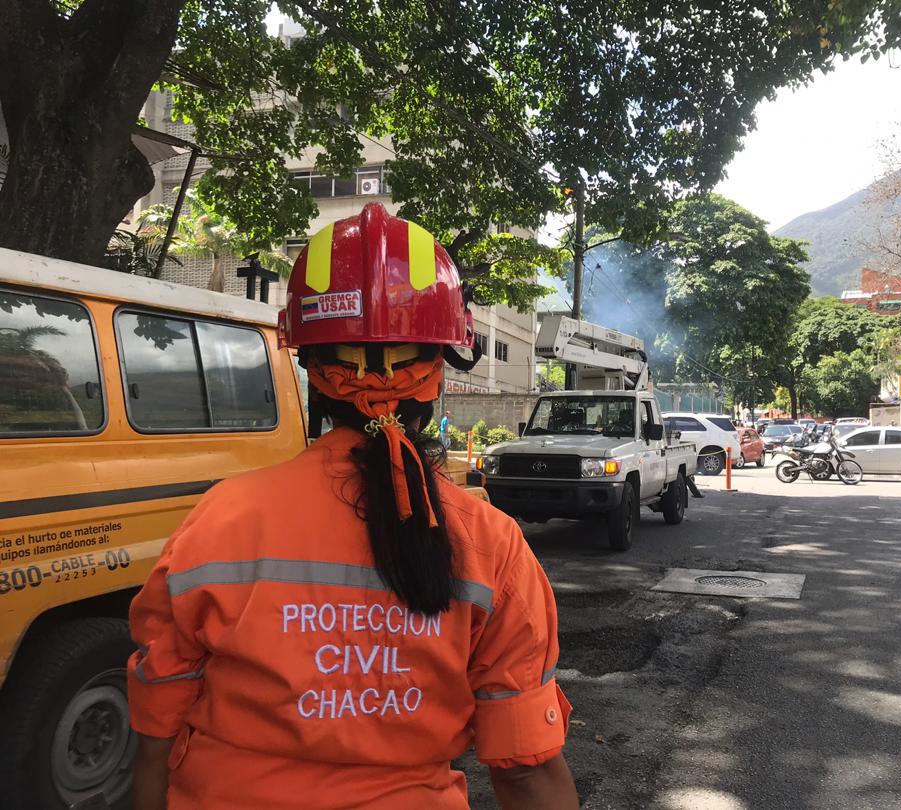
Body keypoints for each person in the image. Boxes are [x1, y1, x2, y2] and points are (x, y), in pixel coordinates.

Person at [127, 204, 578, 810]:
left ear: (312, 371)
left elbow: (157, 727)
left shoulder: (223, 516)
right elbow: (526, 773)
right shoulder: (490, 543)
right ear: (437, 371)